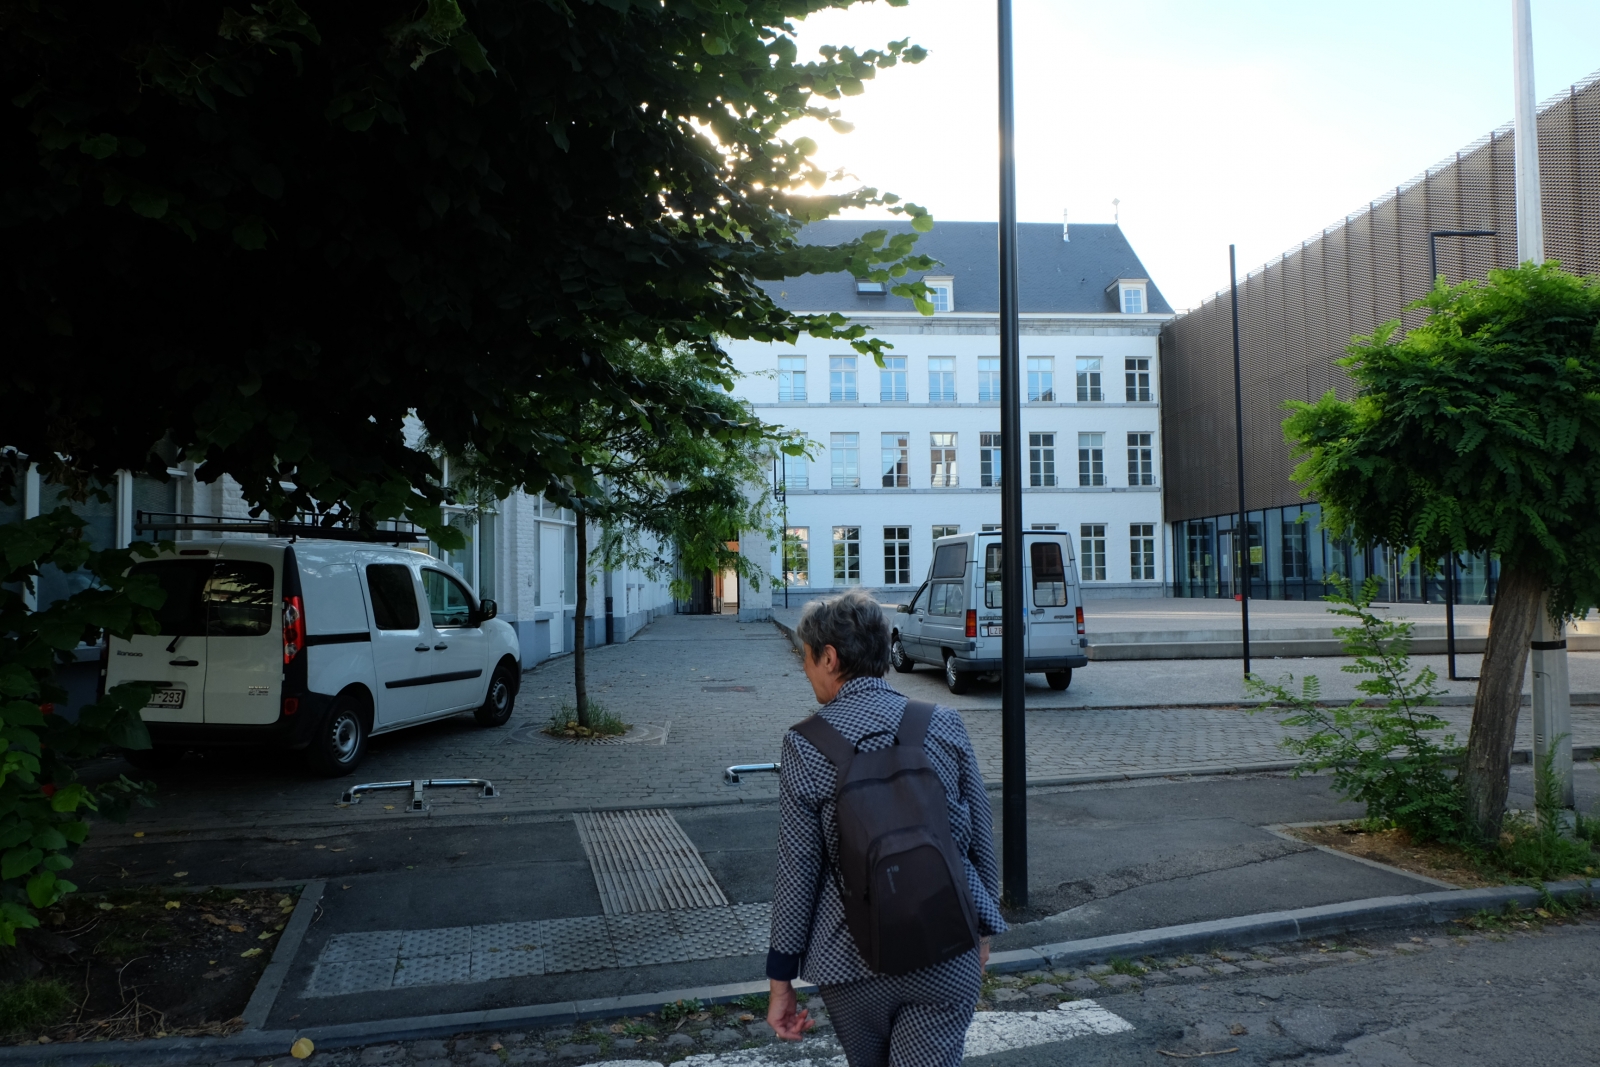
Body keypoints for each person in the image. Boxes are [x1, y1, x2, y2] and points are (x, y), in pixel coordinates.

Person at [765, 589, 1006, 1067]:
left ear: (829, 658)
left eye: (806, 657)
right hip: (945, 945)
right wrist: (982, 931)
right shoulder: (943, 723)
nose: (805, 668)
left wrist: (780, 980)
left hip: (850, 962)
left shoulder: (805, 744)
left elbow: (797, 871)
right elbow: (980, 838)